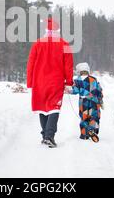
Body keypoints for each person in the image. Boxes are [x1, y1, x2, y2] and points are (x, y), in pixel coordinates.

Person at [27, 17, 73, 148]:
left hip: (39, 81)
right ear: (57, 30)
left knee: (43, 107)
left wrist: (30, 82)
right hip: (56, 82)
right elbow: (68, 66)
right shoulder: (65, 44)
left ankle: (45, 136)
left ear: (46, 30)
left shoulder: (37, 44)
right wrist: (69, 82)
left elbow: (30, 64)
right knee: (54, 108)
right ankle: (49, 136)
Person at [69, 62, 104, 142]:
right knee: (94, 116)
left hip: (83, 102)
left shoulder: (77, 80)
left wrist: (67, 91)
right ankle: (92, 130)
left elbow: (75, 91)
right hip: (94, 102)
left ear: (79, 71)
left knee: (84, 117)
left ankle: (84, 134)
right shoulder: (94, 79)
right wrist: (101, 100)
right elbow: (99, 90)